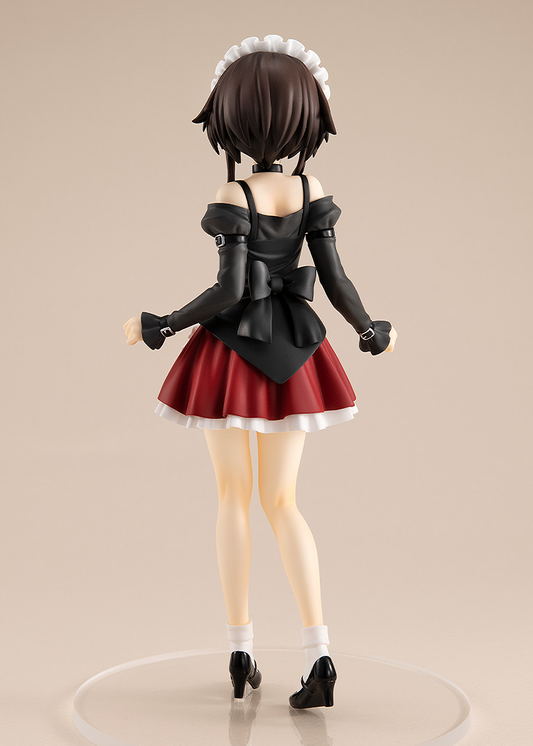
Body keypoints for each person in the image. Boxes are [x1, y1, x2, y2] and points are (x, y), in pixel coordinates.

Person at [124, 35, 397, 709]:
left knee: (232, 497)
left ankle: (240, 650)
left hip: (232, 351)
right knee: (283, 501)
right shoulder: (309, 188)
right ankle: (320, 655)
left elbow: (228, 291)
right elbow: (336, 279)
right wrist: (369, 329)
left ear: (231, 119)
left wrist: (162, 324)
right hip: (295, 347)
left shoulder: (234, 190)